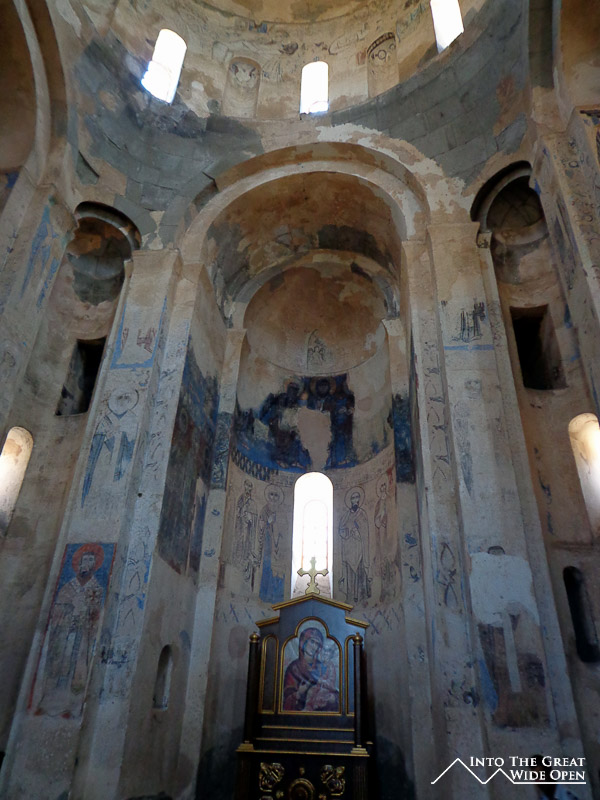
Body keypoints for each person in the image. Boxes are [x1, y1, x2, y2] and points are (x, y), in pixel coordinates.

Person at [283, 627, 338, 712]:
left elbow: (333, 690)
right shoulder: (294, 668)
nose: (314, 647)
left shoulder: (322, 666)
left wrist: (333, 698)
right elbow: (286, 699)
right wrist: (299, 693)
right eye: (312, 642)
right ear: (303, 642)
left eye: (317, 644)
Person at [338, 489, 370, 603]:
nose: (355, 500)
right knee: (350, 574)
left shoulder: (362, 514)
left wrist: (358, 533)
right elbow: (341, 530)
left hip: (359, 550)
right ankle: (350, 596)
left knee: (360, 572)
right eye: (353, 498)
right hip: (349, 550)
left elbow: (365, 531)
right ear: (350, 501)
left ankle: (361, 597)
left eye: (357, 497)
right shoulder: (346, 515)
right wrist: (348, 533)